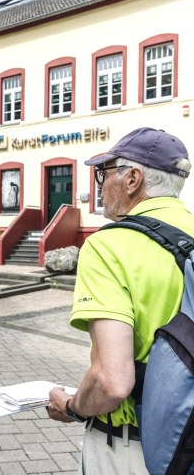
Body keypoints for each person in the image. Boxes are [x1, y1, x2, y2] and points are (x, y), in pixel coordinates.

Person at [46, 127, 194, 474]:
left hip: (135, 448)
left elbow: (113, 382)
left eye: (105, 172)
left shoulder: (108, 245)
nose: (99, 184)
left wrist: (71, 406)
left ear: (132, 179)